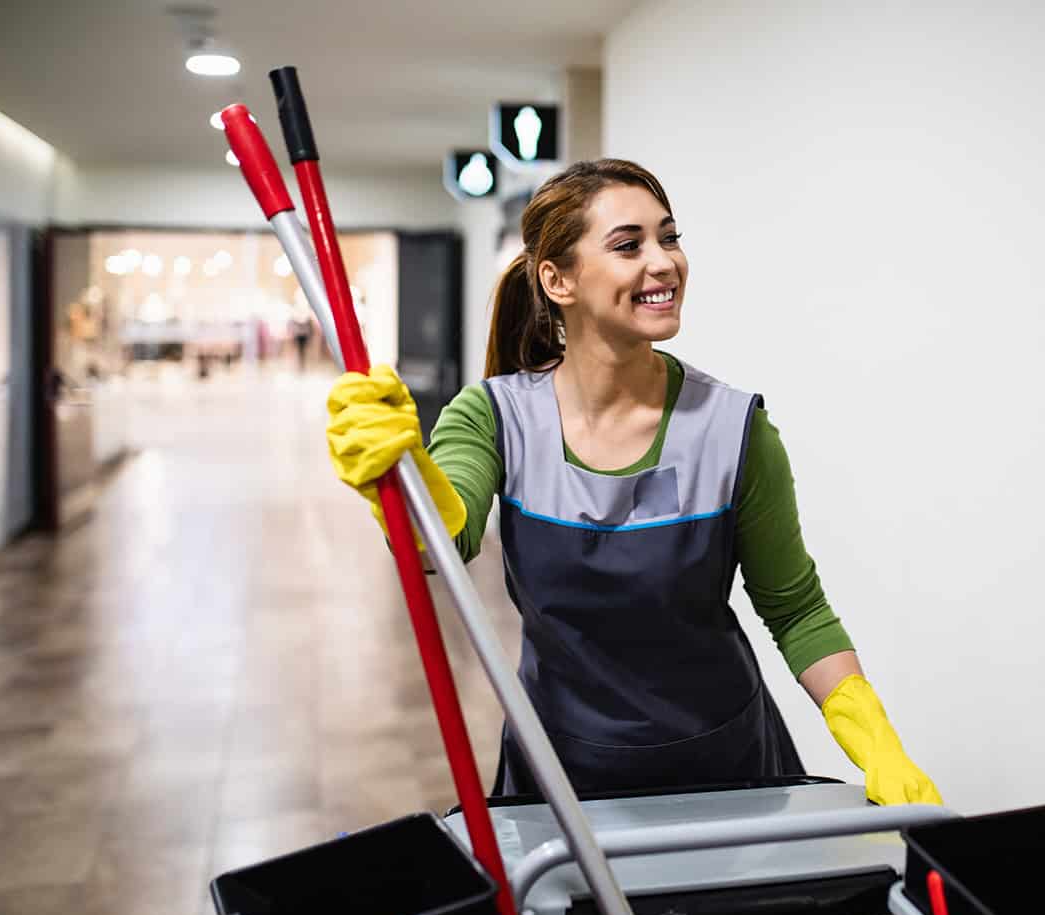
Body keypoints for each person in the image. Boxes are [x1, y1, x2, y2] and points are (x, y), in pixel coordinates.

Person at [325, 159, 941, 806]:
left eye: (669, 238)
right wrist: (399, 476)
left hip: (728, 770)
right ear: (557, 279)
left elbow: (796, 610)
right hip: (562, 774)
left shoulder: (732, 429)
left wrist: (878, 745)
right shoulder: (496, 417)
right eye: (629, 245)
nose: (665, 262)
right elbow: (439, 547)